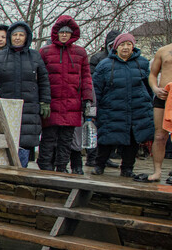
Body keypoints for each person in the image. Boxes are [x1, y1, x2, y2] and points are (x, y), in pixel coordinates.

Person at [0, 22, 50, 168]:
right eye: (15, 35)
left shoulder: (34, 56)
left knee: (25, 140)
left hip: (29, 106)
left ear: (26, 37)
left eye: (21, 35)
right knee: (4, 139)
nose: (17, 38)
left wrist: (45, 101)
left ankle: (21, 169)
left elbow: (44, 80)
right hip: (5, 104)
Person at [37, 15, 93, 172]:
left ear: (72, 34)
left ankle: (61, 167)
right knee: (48, 138)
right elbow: (40, 77)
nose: (64, 35)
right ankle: (45, 168)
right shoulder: (45, 52)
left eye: (67, 32)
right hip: (51, 103)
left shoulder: (80, 53)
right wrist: (41, 99)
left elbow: (86, 77)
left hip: (72, 103)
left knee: (66, 140)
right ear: (56, 33)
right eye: (61, 32)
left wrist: (87, 98)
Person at [92, 33, 153, 178]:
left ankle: (127, 168)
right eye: (122, 45)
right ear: (116, 47)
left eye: (128, 44)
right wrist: (95, 109)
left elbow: (149, 87)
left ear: (133, 46)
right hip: (111, 109)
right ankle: (99, 165)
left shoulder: (142, 63)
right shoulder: (105, 65)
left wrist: (147, 104)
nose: (125, 48)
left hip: (136, 109)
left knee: (132, 141)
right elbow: (96, 89)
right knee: (106, 139)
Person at [87, 30, 121, 169]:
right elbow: (92, 79)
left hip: (114, 101)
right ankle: (91, 157)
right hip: (97, 99)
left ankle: (105, 157)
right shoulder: (98, 58)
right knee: (93, 129)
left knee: (110, 130)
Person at [139, 41, 172, 183]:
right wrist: (155, 89)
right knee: (159, 136)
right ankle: (157, 172)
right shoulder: (163, 50)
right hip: (163, 96)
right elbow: (152, 75)